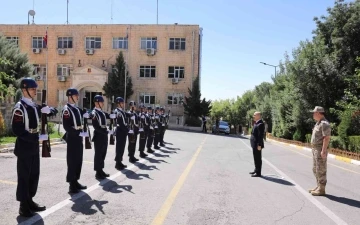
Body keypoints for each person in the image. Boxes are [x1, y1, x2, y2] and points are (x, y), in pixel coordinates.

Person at [11, 77, 57, 217]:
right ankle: (23, 206)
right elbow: (17, 130)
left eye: (35, 89)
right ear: (24, 90)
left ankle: (30, 200)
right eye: (32, 89)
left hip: (33, 146)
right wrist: (36, 137)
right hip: (25, 146)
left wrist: (50, 110)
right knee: (24, 176)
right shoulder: (20, 108)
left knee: (34, 175)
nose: (34, 91)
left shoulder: (33, 106)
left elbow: (48, 111)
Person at [62, 88, 89, 193]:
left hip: (78, 137)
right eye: (76, 95)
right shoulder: (66, 110)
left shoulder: (77, 109)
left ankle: (76, 181)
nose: (78, 97)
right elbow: (66, 126)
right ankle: (71, 184)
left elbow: (80, 121)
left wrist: (86, 115)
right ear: (70, 96)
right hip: (72, 138)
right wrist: (78, 133)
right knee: (72, 161)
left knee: (78, 160)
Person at [90, 95, 116, 179]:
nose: (102, 103)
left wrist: (112, 115)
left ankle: (101, 169)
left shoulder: (101, 112)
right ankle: (98, 172)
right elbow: (96, 127)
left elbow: (107, 115)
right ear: (97, 103)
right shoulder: (94, 113)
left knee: (103, 153)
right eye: (101, 102)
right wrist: (107, 131)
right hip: (99, 135)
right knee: (98, 154)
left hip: (104, 135)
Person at [308, 106, 331, 196]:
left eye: (314, 113)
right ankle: (318, 186)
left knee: (320, 169)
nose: (313, 114)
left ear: (318, 113)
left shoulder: (324, 123)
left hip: (320, 149)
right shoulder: (318, 123)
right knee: (315, 169)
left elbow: (326, 138)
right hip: (315, 149)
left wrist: (323, 150)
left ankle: (322, 189)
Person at [113, 97, 128, 170]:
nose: (123, 104)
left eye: (123, 103)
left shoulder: (121, 111)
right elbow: (120, 123)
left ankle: (120, 161)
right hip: (120, 131)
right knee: (119, 147)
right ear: (118, 103)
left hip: (123, 131)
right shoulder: (117, 111)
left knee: (122, 147)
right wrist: (127, 130)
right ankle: (117, 163)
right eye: (122, 103)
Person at [249, 111, 265, 177]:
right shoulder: (256, 123)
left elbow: (260, 136)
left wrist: (259, 145)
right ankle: (256, 170)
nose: (253, 116)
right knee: (255, 158)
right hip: (254, 144)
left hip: (257, 145)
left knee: (258, 158)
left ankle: (258, 173)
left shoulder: (261, 124)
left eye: (254, 115)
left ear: (258, 116)